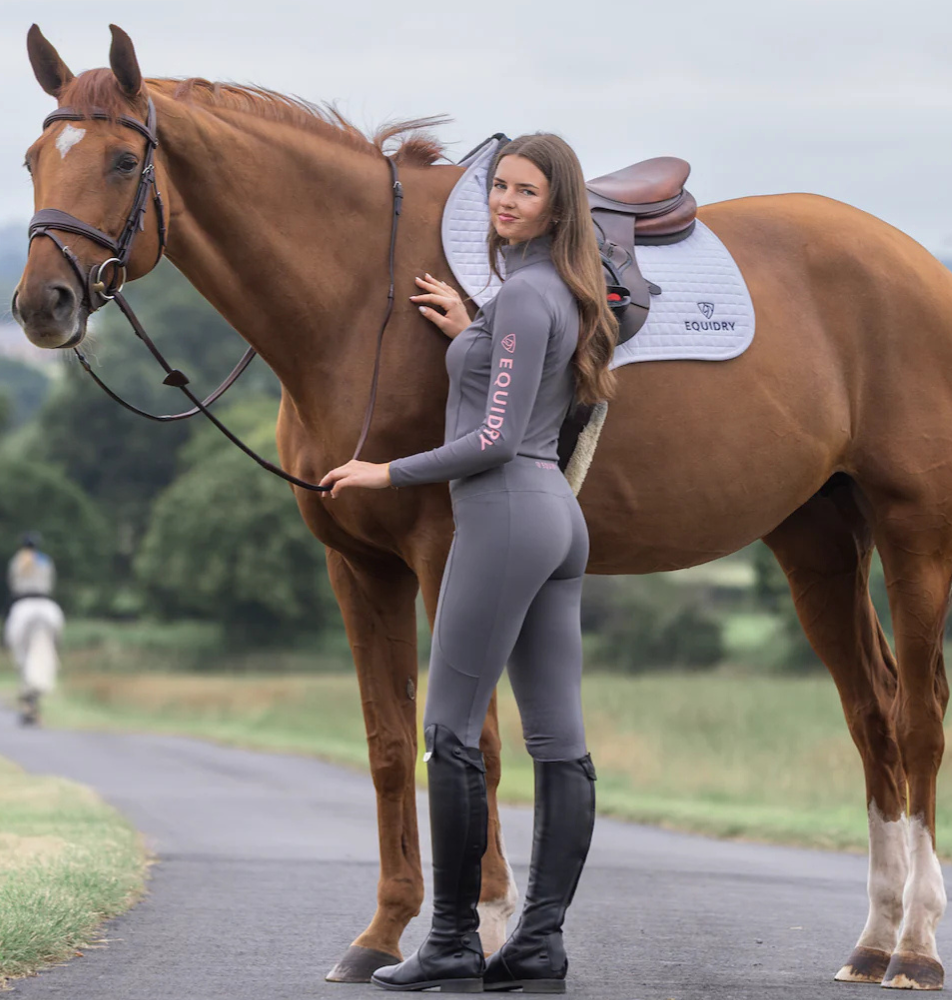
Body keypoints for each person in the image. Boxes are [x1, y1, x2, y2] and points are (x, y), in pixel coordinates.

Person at [319, 133, 618, 993]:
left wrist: (385, 470)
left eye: (527, 192)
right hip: (556, 518)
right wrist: (470, 331)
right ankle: (539, 946)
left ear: (558, 208)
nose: (506, 201)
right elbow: (514, 388)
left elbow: (490, 439)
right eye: (501, 187)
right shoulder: (545, 294)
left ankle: (451, 943)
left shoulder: (527, 296)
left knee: (450, 729)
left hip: (505, 516)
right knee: (559, 739)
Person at [4, 532, 64, 726]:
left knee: (20, 653)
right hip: (45, 603)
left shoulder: (17, 561)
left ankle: (27, 702)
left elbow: (13, 584)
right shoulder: (45, 561)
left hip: (23, 602)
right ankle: (56, 651)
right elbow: (51, 583)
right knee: (55, 634)